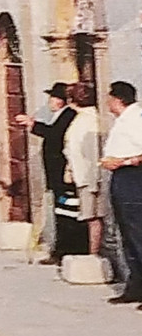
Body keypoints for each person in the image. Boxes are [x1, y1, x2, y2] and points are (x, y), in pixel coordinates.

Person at [16, 82, 77, 262]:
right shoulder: (59, 115)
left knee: (65, 211)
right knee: (61, 210)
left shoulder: (68, 115)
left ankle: (65, 250)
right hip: (56, 173)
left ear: (61, 100)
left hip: (61, 173)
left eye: (54, 97)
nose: (50, 101)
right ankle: (61, 249)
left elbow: (54, 135)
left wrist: (32, 124)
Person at [100, 80, 142, 305]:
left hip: (133, 177)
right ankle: (136, 285)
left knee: (138, 233)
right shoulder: (123, 120)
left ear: (117, 99)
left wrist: (124, 161)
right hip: (122, 177)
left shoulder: (136, 119)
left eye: (109, 98)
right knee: (127, 233)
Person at [65, 82, 102, 259]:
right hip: (82, 174)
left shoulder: (89, 120)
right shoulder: (81, 118)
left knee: (92, 217)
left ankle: (94, 255)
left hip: (89, 176)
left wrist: (93, 182)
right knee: (88, 216)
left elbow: (92, 152)